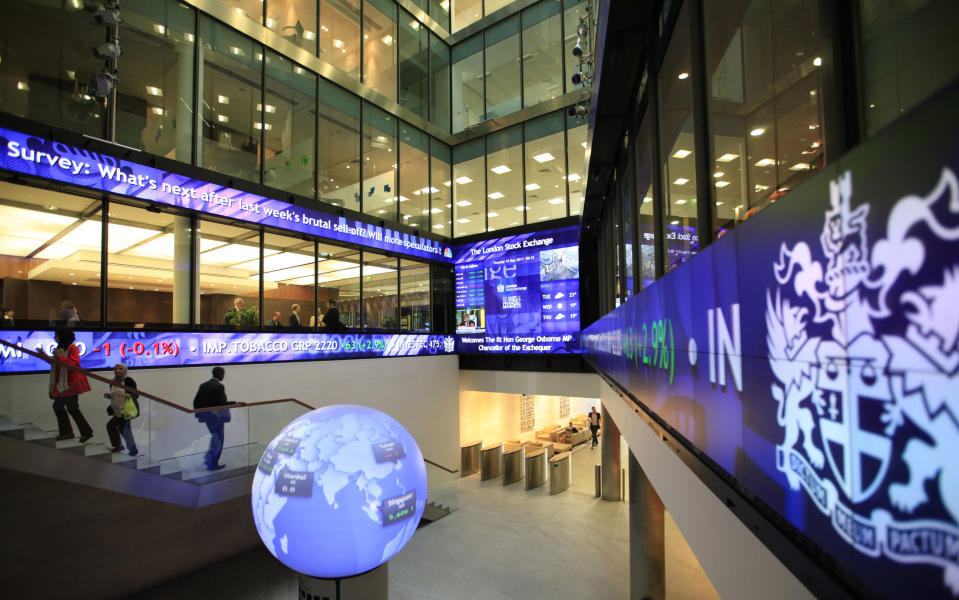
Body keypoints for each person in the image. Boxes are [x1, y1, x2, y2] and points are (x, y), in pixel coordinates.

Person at [46, 327, 94, 442]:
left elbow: (73, 364)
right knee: (70, 408)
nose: (55, 338)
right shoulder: (61, 348)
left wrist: (60, 357)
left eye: (57, 335)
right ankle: (81, 432)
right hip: (65, 384)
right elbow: (58, 364)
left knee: (63, 407)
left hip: (71, 384)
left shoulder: (73, 348)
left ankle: (71, 432)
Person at [193, 366, 236, 471]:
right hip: (217, 418)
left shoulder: (203, 385)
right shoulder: (219, 386)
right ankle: (213, 463)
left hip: (208, 417)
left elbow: (196, 402)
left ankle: (209, 460)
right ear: (220, 374)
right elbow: (221, 403)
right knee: (219, 439)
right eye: (223, 374)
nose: (223, 376)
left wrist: (200, 416)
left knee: (215, 438)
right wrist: (236, 402)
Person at [104, 362, 139, 456]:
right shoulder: (112, 382)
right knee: (123, 429)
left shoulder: (128, 381)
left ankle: (120, 446)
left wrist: (126, 395)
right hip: (117, 410)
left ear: (125, 370)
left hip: (126, 410)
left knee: (114, 426)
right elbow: (114, 395)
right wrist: (109, 396)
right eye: (115, 369)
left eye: (120, 369)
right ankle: (130, 448)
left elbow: (135, 395)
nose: (117, 371)